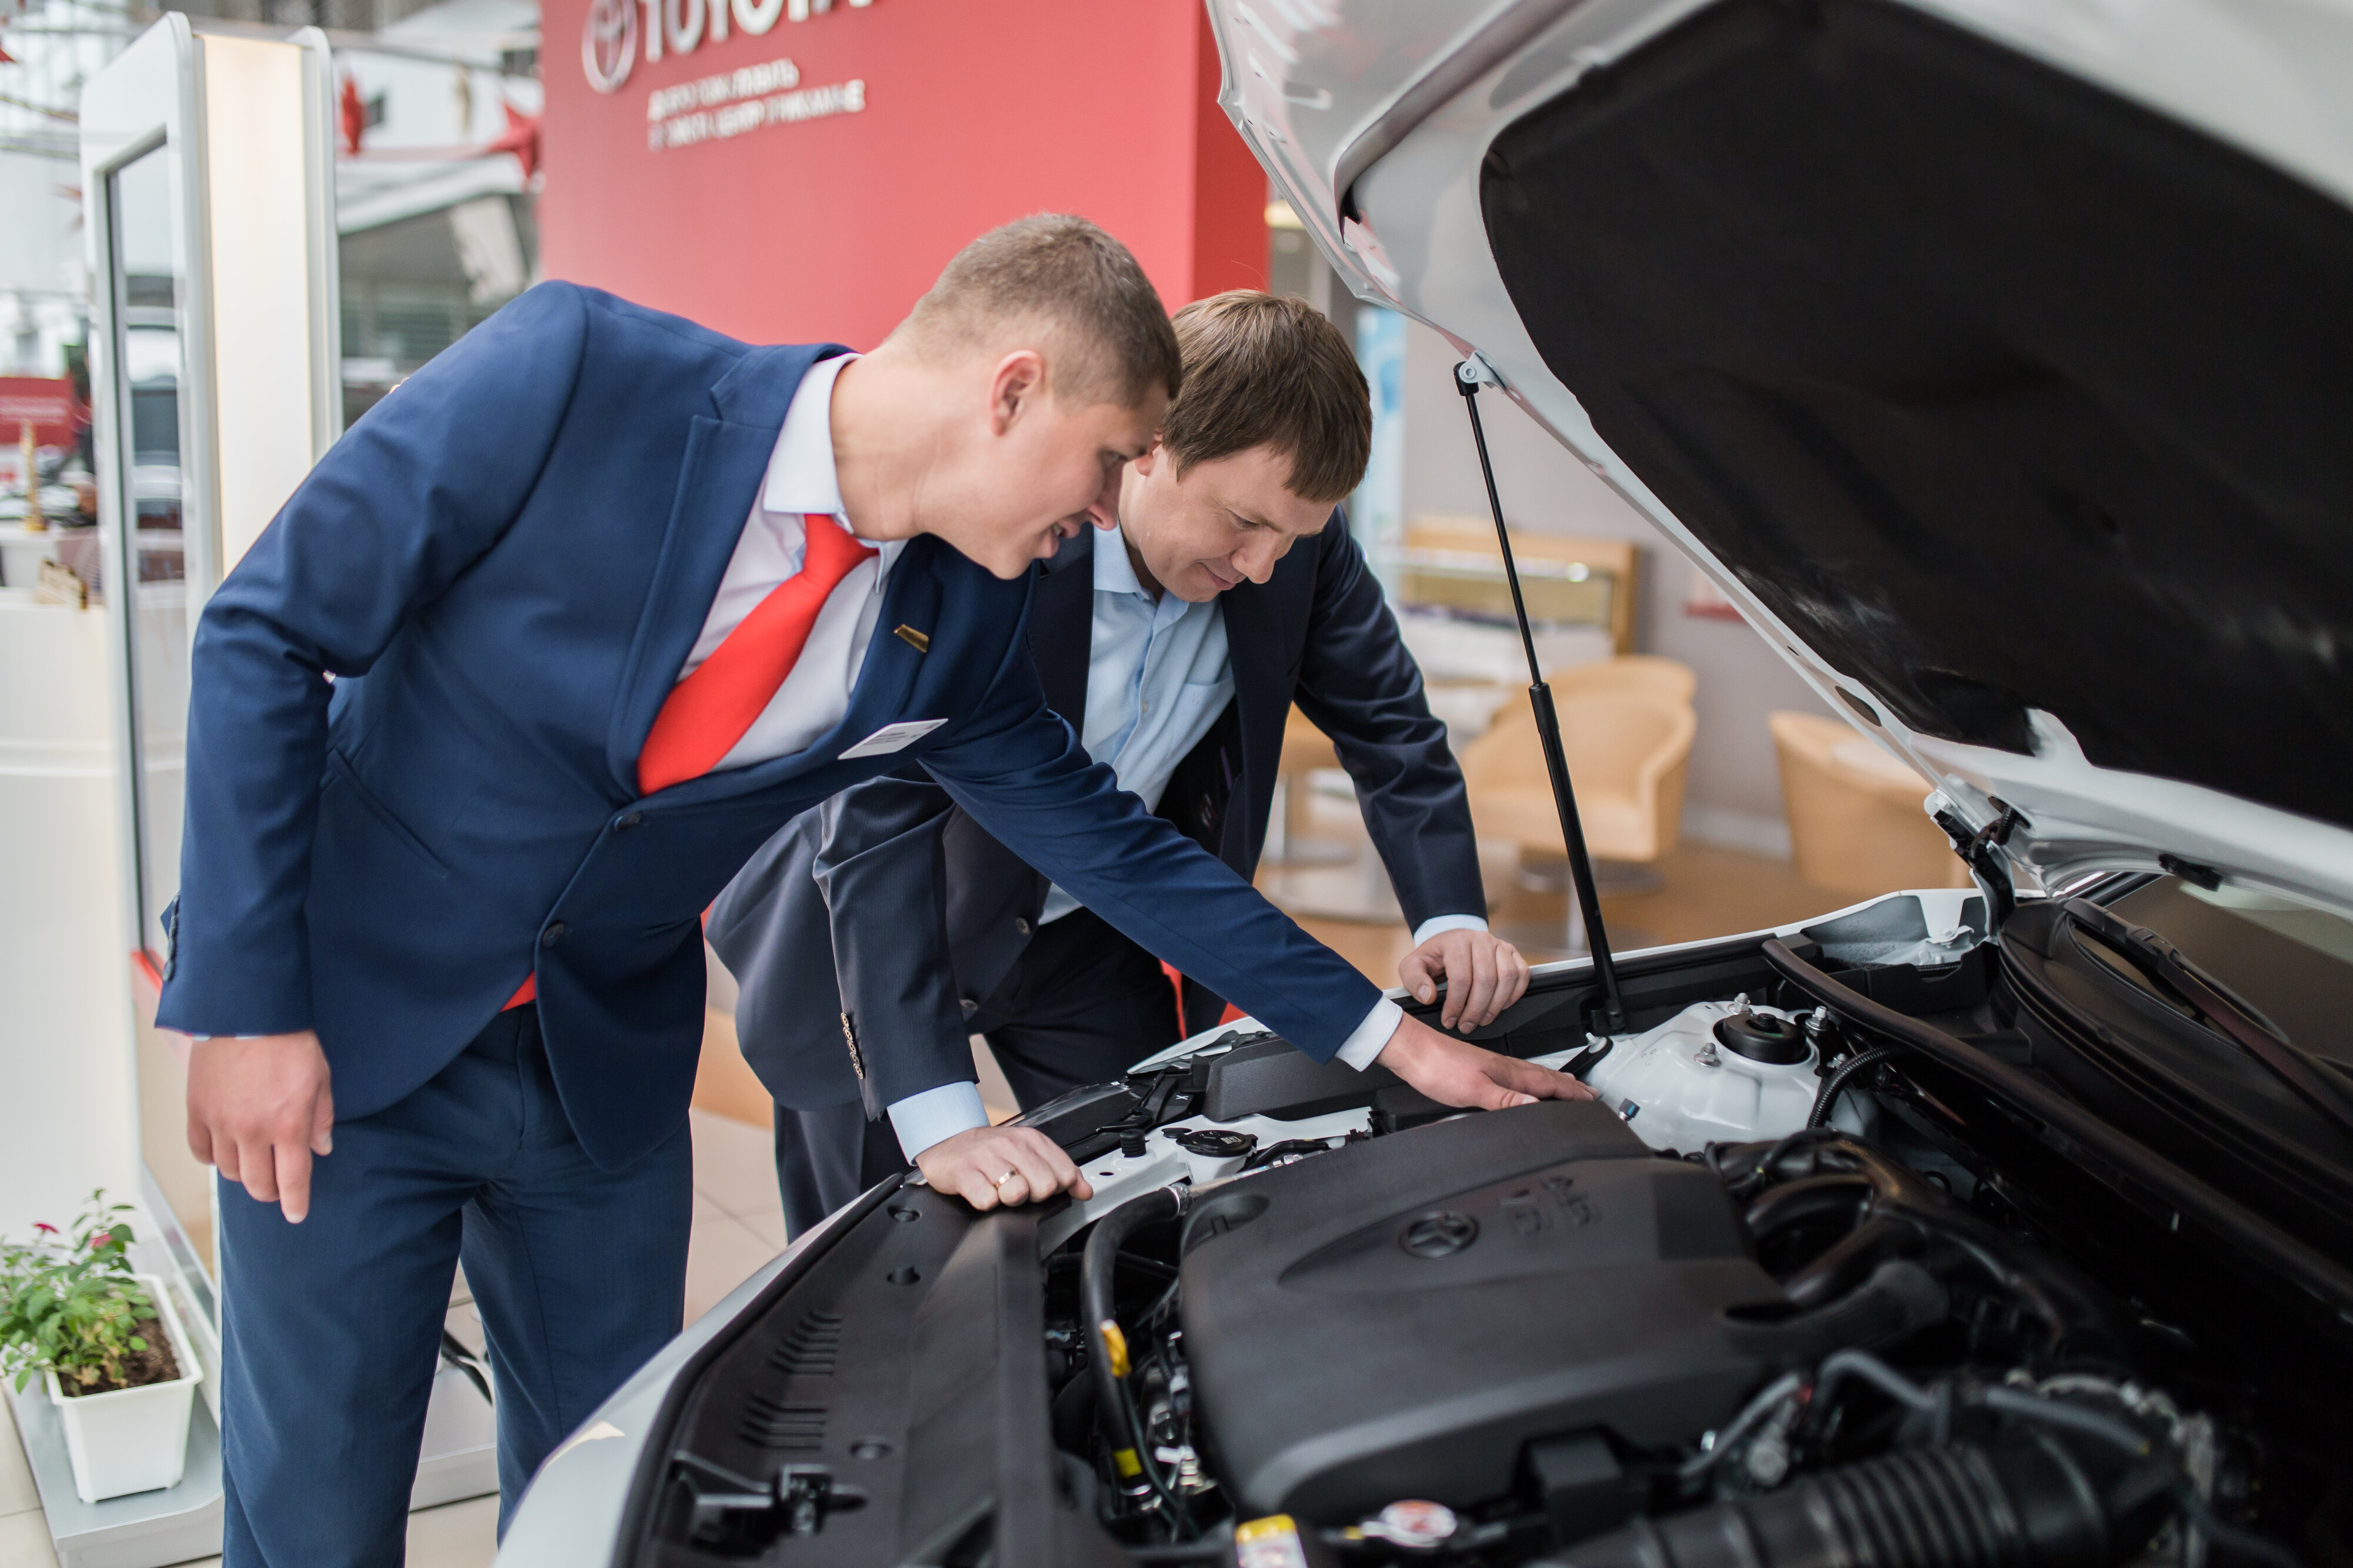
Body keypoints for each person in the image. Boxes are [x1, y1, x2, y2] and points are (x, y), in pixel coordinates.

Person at [156, 216, 1585, 1568]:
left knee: (611, 1497)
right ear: (1011, 391)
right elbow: (267, 632)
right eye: (1102, 464)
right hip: (343, 1039)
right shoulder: (574, 370)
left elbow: (1113, 843)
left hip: (599, 1082)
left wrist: (1386, 1041)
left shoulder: (959, 616)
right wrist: (243, 1004)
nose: (1101, 512)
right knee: (316, 1513)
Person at [709, 291, 1540, 1233]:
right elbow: (876, 823)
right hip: (874, 919)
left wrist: (1450, 917)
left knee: (1157, 1190)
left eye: (1292, 537)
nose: (1264, 567)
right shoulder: (999, 537)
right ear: (1154, 445)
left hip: (1088, 936)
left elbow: (1389, 724)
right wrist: (941, 1118)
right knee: (862, 1247)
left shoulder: (1296, 550)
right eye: (1242, 523)